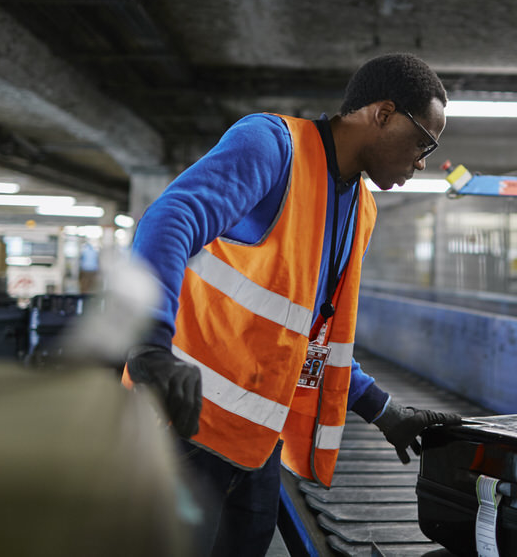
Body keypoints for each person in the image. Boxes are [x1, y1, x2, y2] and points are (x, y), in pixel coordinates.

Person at [124, 53, 461, 556]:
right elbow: (170, 220)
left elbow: (311, 333)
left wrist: (383, 411)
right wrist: (150, 344)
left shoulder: (360, 209)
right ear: (383, 114)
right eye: (422, 142)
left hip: (257, 445)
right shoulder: (272, 146)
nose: (422, 161)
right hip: (182, 430)